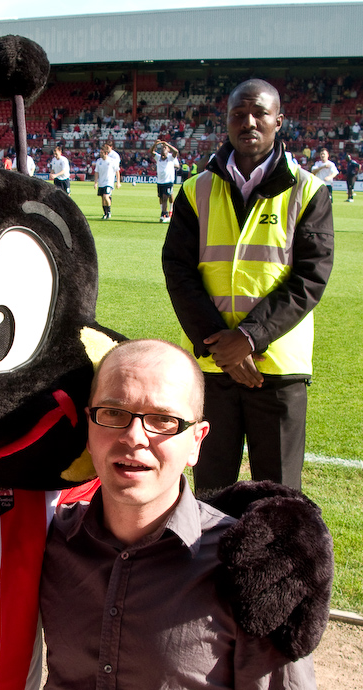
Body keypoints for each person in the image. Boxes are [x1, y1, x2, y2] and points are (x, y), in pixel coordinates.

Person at [39, 338, 326, 690]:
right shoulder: (52, 546)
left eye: (162, 420)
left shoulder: (249, 568)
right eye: (113, 413)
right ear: (88, 426)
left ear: (196, 440)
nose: (134, 437)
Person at [162, 78, 333, 492]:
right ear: (226, 122)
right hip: (214, 364)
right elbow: (177, 270)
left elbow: (311, 276)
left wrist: (250, 338)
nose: (249, 122)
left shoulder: (308, 190)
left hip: (277, 369)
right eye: (239, 114)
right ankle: (209, 561)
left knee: (277, 497)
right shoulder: (195, 189)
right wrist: (219, 344)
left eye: (259, 113)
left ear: (279, 120)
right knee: (209, 492)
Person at [151, 139, 179, 221]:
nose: (163, 149)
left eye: (165, 148)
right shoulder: (158, 157)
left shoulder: (170, 157)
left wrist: (167, 144)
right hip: (160, 181)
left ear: (168, 150)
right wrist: (155, 144)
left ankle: (165, 214)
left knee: (165, 197)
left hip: (168, 181)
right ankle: (164, 212)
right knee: (161, 198)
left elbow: (176, 151)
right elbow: (151, 152)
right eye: (162, 148)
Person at [94, 144, 120, 220]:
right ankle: (105, 213)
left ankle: (109, 212)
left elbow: (117, 171)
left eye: (101, 152)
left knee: (106, 196)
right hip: (101, 182)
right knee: (103, 198)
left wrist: (118, 182)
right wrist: (95, 182)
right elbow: (96, 172)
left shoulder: (112, 161)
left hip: (109, 182)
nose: (100, 154)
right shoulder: (99, 161)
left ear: (105, 153)